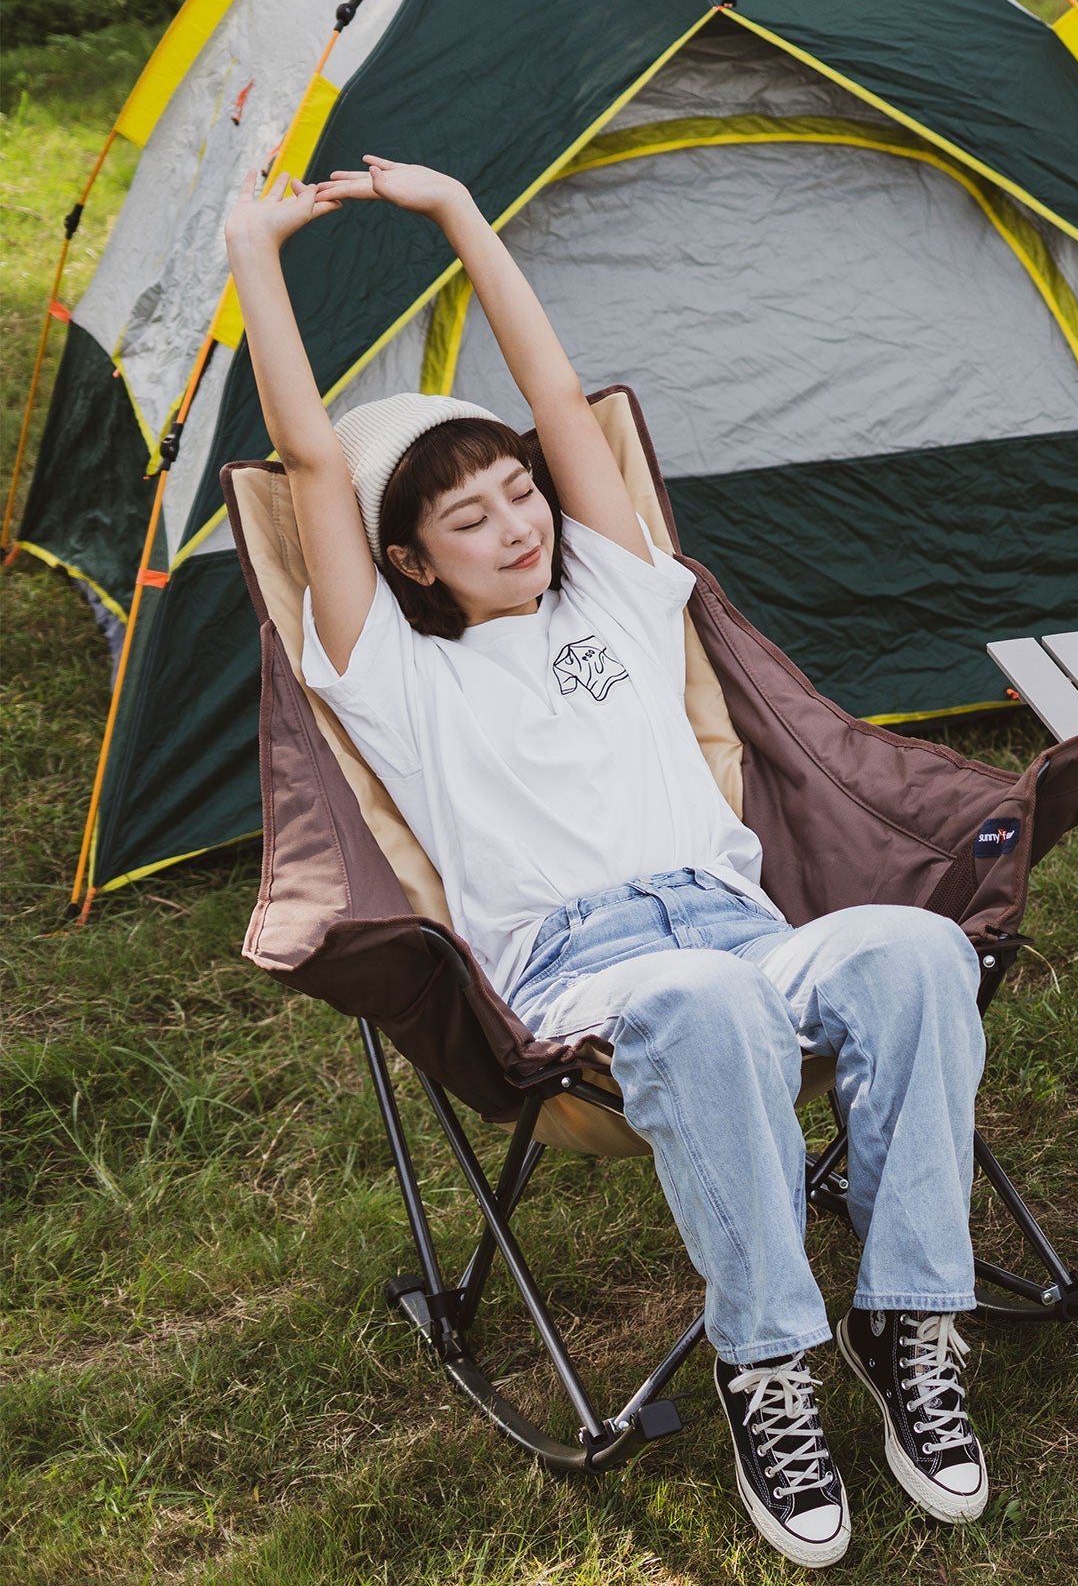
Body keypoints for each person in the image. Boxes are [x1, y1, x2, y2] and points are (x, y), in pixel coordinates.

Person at [225, 158, 992, 1568]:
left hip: (742, 927)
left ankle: (905, 1321)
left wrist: (461, 215)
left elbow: (560, 395)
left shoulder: (624, 594)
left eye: (522, 494)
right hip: (596, 977)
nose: (518, 527)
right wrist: (249, 251)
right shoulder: (386, 672)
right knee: (703, 1007)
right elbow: (313, 463)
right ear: (406, 561)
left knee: (921, 950)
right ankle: (769, 1366)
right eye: (472, 521)